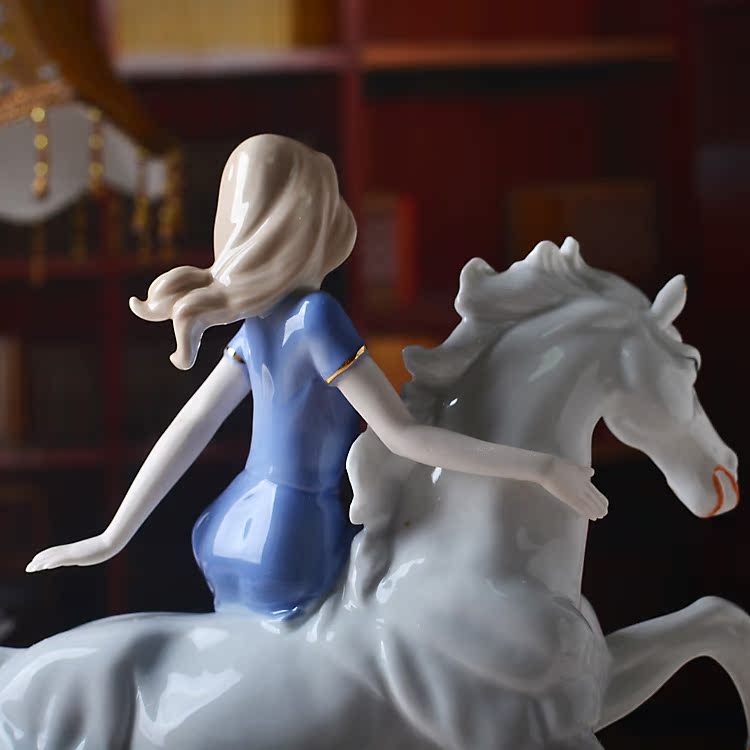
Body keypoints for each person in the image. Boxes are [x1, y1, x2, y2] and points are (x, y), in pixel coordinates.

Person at [26, 134, 607, 619]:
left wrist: (114, 535)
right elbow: (402, 436)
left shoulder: (256, 324)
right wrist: (541, 466)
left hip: (230, 524)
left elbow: (192, 426)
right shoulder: (315, 318)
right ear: (308, 226)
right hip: (292, 536)